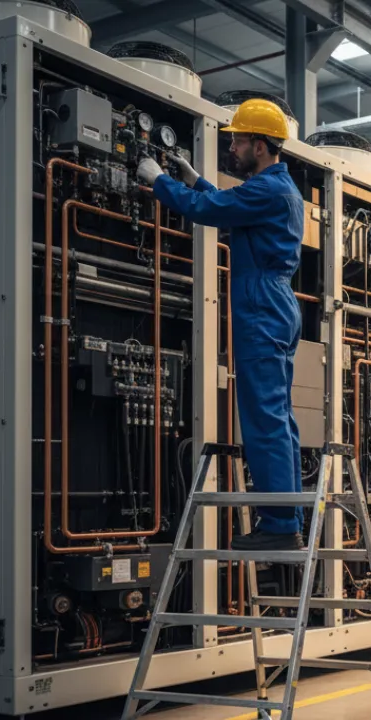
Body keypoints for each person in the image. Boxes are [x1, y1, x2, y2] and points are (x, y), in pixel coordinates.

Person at [136, 99, 305, 552]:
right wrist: (195, 180)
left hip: (261, 306)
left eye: (239, 141)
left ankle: (279, 524)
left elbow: (209, 211)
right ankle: (286, 516)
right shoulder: (278, 188)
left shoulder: (267, 189)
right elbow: (229, 206)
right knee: (278, 416)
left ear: (261, 146)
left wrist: (159, 181)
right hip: (276, 304)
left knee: (264, 418)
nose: (233, 148)